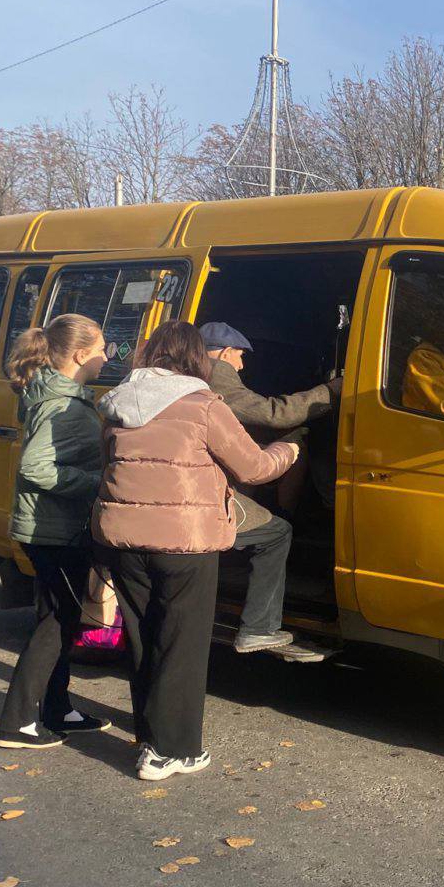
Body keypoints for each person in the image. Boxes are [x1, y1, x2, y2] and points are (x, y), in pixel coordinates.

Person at [92, 321, 299, 781]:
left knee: (145, 638)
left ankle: (149, 735)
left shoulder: (115, 402)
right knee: (182, 644)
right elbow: (254, 467)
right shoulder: (203, 404)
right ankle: (171, 751)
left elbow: (108, 466)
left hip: (122, 539)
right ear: (197, 357)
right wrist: (289, 450)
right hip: (185, 542)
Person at [0, 314, 112, 749]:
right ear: (81, 355)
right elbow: (36, 468)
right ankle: (17, 723)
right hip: (52, 529)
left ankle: (58, 708)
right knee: (56, 623)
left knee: (58, 618)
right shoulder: (59, 404)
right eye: (102, 348)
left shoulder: (63, 396)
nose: (105, 356)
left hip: (52, 526)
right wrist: (95, 483)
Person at [198, 321, 341, 654]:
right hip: (202, 497)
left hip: (170, 493)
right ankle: (258, 629)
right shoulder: (215, 373)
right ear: (223, 351)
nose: (242, 364)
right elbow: (271, 414)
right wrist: (329, 392)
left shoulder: (174, 374)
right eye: (239, 355)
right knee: (277, 532)